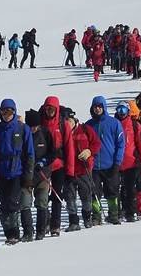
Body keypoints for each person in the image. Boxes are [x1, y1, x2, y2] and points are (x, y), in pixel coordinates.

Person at [0, 99, 34, 245]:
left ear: (14, 112)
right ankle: (9, 233)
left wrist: (28, 176)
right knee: (4, 204)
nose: (6, 114)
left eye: (9, 111)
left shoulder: (22, 129)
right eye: (4, 111)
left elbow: (29, 154)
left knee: (13, 203)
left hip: (17, 172)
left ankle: (15, 233)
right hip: (2, 172)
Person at [86, 96, 125, 225]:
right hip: (94, 166)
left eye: (99, 106)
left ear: (104, 107)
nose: (97, 109)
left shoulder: (114, 123)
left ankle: (113, 214)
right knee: (94, 192)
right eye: (95, 107)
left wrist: (117, 163)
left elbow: (121, 144)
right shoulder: (88, 125)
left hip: (110, 165)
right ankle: (96, 216)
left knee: (112, 191)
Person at [63, 110, 101, 230]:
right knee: (70, 197)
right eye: (65, 122)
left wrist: (89, 151)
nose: (68, 124)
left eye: (69, 121)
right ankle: (73, 221)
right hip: (68, 170)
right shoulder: (63, 133)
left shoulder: (85, 129)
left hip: (84, 169)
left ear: (74, 120)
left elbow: (96, 143)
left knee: (86, 196)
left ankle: (87, 218)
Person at [21, 110, 54, 242]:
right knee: (25, 203)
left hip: (42, 174)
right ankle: (28, 232)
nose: (34, 129)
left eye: (36, 126)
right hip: (26, 175)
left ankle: (41, 231)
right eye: (31, 126)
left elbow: (53, 153)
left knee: (41, 202)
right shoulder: (23, 134)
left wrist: (44, 162)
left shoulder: (45, 133)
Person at [39, 97, 69, 236]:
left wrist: (70, 169)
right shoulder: (40, 123)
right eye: (47, 108)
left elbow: (69, 147)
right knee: (42, 196)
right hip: (44, 165)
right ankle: (45, 221)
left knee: (57, 195)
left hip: (59, 165)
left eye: (52, 109)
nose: (49, 111)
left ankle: (55, 225)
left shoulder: (63, 124)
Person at [114, 102, 141, 222]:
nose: (121, 113)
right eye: (119, 110)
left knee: (130, 189)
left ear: (128, 111)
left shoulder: (134, 125)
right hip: (116, 162)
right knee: (116, 189)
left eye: (124, 110)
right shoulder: (114, 124)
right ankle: (118, 211)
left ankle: (130, 212)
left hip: (131, 162)